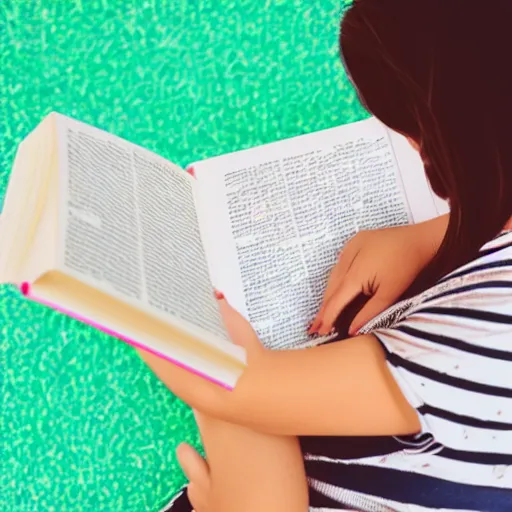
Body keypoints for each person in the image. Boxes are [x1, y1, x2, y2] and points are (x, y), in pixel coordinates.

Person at [142, 1, 512, 510]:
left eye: (417, 135)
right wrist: (444, 234)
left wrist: (146, 290)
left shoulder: (484, 338)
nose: (411, 146)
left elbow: (240, 387)